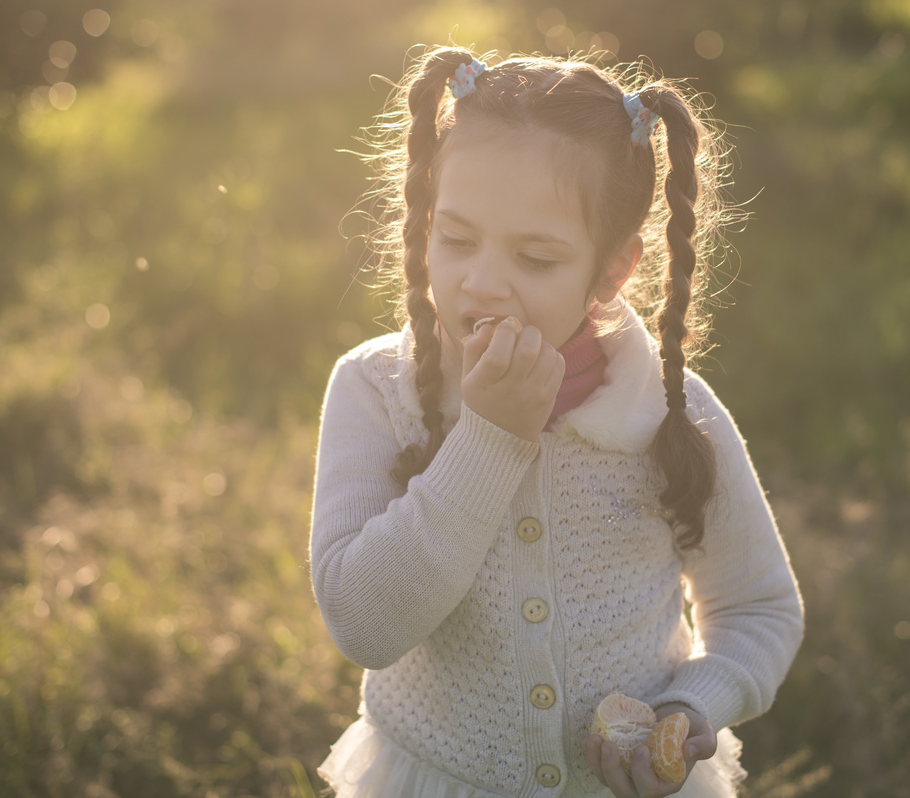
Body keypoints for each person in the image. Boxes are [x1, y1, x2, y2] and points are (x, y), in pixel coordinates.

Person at [309, 45, 803, 798]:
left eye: (536, 258)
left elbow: (758, 606)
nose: (481, 283)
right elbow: (365, 626)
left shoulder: (670, 414)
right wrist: (489, 438)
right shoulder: (377, 392)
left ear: (613, 269)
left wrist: (693, 702)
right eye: (456, 238)